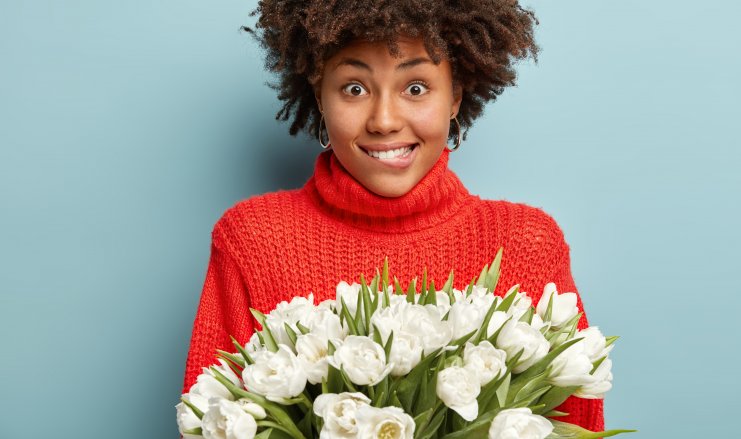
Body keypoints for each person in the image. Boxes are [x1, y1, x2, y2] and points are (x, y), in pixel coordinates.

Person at [183, 0, 604, 431]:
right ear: (319, 97)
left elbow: (578, 427)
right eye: (354, 88)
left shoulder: (526, 245)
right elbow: (208, 422)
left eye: (416, 88)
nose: (384, 120)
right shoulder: (253, 239)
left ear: (455, 96)